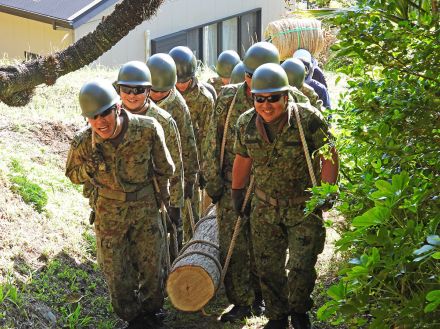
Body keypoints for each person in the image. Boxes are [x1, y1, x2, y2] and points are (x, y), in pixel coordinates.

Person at [232, 63, 339, 329]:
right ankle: (277, 317)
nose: (267, 105)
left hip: (302, 207)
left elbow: (329, 154)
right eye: (260, 99)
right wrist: (237, 191)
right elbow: (242, 159)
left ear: (286, 96)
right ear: (253, 98)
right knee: (268, 267)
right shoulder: (245, 124)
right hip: (264, 207)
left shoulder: (307, 119)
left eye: (273, 99)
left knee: (302, 266)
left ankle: (299, 312)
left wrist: (327, 190)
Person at [65, 79, 175, 328]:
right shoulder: (83, 142)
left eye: (105, 113)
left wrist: (170, 203)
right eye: (93, 117)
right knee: (116, 271)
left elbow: (165, 168)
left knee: (152, 265)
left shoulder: (147, 129)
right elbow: (72, 173)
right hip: (109, 211)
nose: (101, 122)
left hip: (145, 206)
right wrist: (90, 168)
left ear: (118, 108)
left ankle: (151, 312)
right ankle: (132, 318)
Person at [204, 41, 280, 322]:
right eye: (248, 76)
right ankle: (242, 301)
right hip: (230, 183)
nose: (252, 83)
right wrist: (213, 183)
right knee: (233, 245)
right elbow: (212, 140)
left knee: (267, 245)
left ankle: (267, 297)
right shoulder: (228, 98)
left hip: (271, 188)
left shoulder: (291, 100)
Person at [115, 60, 184, 259]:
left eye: (138, 90)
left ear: (147, 90)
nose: (131, 95)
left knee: (159, 259)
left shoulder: (162, 121)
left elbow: (176, 165)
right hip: (120, 202)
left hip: (153, 200)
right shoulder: (111, 118)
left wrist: (175, 205)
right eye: (126, 89)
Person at [147, 53, 200, 250]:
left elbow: (187, 145)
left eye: (163, 92)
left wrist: (189, 180)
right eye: (153, 91)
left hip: (171, 171)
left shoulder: (178, 106)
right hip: (143, 172)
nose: (157, 95)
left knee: (175, 225)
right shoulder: (134, 93)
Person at [169, 46, 215, 240]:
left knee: (190, 214)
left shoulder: (204, 98)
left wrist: (205, 171)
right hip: (168, 160)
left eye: (185, 81)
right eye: (177, 82)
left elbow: (208, 137)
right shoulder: (162, 92)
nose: (180, 86)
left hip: (191, 164)